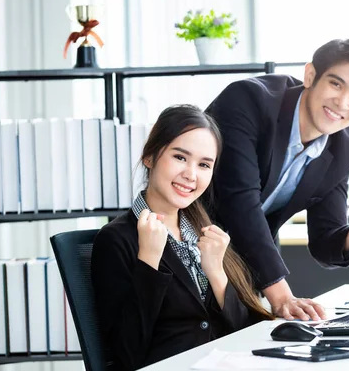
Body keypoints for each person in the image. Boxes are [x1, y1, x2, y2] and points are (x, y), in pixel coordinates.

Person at [205, 37, 349, 322]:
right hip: (183, 244)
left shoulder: (344, 148)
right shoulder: (248, 100)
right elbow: (239, 201)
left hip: (243, 267)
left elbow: (324, 244)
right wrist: (281, 297)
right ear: (310, 75)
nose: (341, 103)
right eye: (336, 84)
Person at [91, 105, 273, 371]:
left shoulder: (206, 232)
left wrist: (217, 274)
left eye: (203, 165)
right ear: (150, 156)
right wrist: (149, 262)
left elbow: (245, 332)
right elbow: (126, 354)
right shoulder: (117, 240)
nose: (191, 174)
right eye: (180, 157)